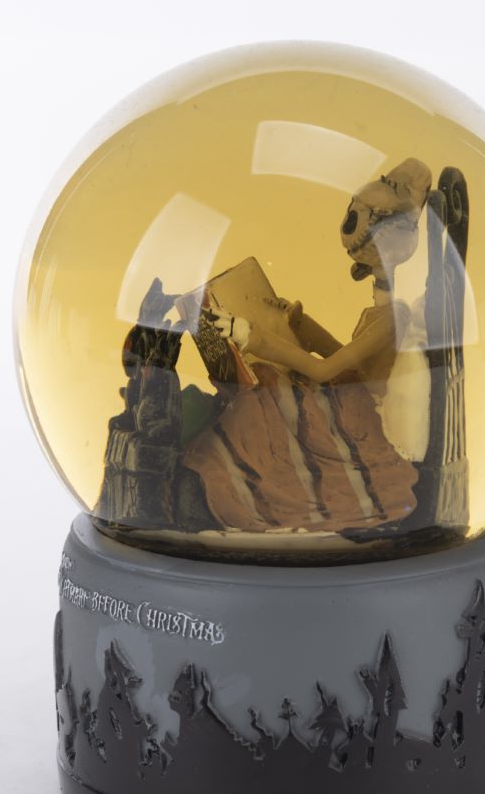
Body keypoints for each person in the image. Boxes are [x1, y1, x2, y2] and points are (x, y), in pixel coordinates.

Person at [180, 159, 432, 535]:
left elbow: (325, 370)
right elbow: (347, 357)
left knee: (266, 392)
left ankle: (228, 487)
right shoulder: (384, 311)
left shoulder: (392, 317)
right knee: (265, 388)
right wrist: (300, 323)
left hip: (363, 417)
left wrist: (252, 337)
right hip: (353, 396)